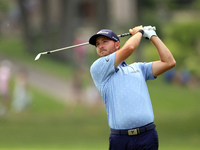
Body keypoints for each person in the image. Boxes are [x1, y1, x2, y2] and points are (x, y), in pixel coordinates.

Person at [89, 26, 176, 150]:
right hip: (120, 139)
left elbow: (169, 62)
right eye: (97, 44)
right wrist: (139, 32)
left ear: (117, 44)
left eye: (105, 41)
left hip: (147, 136)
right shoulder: (98, 68)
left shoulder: (138, 68)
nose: (100, 46)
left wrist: (152, 36)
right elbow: (129, 48)